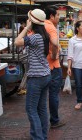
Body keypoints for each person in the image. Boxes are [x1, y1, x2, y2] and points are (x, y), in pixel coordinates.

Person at [15, 9, 51, 140]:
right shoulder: (44, 35)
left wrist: (26, 27)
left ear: (33, 22)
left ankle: (38, 137)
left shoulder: (35, 37)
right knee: (41, 109)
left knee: (31, 109)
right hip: (45, 75)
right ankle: (43, 136)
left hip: (36, 77)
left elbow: (17, 41)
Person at [44, 6, 66, 128]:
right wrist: (53, 55)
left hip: (42, 66)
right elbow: (54, 44)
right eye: (57, 15)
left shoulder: (39, 25)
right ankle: (54, 120)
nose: (58, 17)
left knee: (42, 96)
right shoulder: (51, 27)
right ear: (51, 16)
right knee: (53, 94)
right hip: (53, 65)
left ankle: (43, 123)